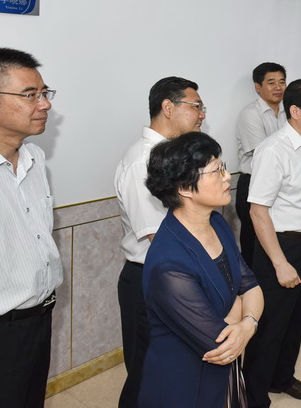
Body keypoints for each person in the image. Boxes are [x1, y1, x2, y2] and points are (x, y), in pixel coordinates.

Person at [140, 132, 264, 408]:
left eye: (224, 167)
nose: (227, 176)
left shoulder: (217, 223)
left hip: (225, 375)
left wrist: (247, 323)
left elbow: (251, 285)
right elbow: (219, 343)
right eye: (217, 170)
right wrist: (242, 310)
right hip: (186, 384)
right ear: (185, 187)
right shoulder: (169, 265)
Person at [114, 76, 206, 407]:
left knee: (170, 371)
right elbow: (160, 237)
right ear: (168, 107)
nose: (201, 115)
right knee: (146, 374)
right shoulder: (143, 160)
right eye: (196, 106)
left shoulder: (173, 155)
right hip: (151, 276)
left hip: (175, 273)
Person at [0, 47, 63, 407]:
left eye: (44, 93)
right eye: (30, 95)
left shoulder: (35, 157)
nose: (45, 104)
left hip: (40, 318)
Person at [243, 78, 301, 407]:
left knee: (295, 319)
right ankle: (253, 394)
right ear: (295, 111)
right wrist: (280, 263)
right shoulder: (274, 150)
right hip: (280, 247)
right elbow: (258, 211)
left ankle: (282, 378)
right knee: (270, 325)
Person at [235, 62, 287, 267]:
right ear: (258, 87)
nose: (278, 87)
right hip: (253, 184)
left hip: (281, 184)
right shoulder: (250, 114)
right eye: (271, 82)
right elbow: (264, 155)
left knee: (276, 240)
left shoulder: (290, 112)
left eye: (282, 82)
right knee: (253, 243)